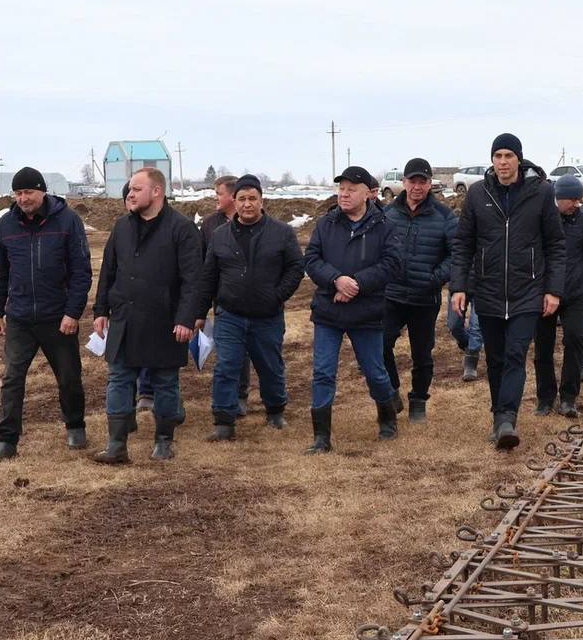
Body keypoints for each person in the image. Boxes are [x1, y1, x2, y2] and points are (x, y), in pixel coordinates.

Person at [450, 133, 565, 450]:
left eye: (508, 156)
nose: (503, 162)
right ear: (492, 160)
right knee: (496, 359)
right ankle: (499, 417)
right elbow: (463, 244)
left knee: (515, 354)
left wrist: (553, 290)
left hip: (527, 290)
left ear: (519, 159)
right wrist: (459, 286)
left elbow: (555, 245)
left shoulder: (541, 192)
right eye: (498, 156)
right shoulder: (478, 194)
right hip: (487, 290)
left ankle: (506, 420)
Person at [91, 167, 202, 463]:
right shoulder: (121, 227)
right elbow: (108, 271)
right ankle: (116, 445)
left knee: (165, 381)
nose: (130, 194)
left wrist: (185, 318)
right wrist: (100, 310)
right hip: (125, 318)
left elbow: (193, 280)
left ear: (157, 191)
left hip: (165, 320)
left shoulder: (182, 228)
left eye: (136, 189)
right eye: (129, 189)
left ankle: (164, 441)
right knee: (118, 378)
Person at [0, 166, 92, 462]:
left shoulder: (68, 220)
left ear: (42, 191)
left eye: (28, 192)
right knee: (12, 379)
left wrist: (72, 313)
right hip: (20, 317)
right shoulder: (7, 224)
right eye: (18, 193)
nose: (23, 198)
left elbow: (81, 271)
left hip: (57, 318)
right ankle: (6, 440)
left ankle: (75, 426)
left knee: (69, 377)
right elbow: (0, 271)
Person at [193, 174, 304, 441]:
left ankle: (275, 410)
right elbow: (209, 276)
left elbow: (295, 268)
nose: (247, 204)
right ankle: (224, 421)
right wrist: (199, 312)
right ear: (235, 201)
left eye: (252, 198)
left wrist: (277, 296)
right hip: (230, 314)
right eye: (242, 199)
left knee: (270, 366)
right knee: (226, 366)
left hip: (267, 315)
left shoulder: (282, 233)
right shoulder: (220, 235)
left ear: (261, 200)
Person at [303, 165, 403, 453]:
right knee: (323, 373)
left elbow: (392, 264)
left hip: (366, 312)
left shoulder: (384, 226)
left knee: (375, 371)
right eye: (341, 189)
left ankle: (387, 419)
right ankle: (321, 437)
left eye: (351, 189)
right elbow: (312, 259)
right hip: (328, 311)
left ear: (367, 194)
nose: (344, 194)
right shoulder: (326, 223)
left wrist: (356, 284)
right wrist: (336, 280)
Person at [382, 157, 456, 422]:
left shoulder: (445, 216)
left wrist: (435, 278)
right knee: (380, 345)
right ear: (403, 182)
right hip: (391, 295)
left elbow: (456, 254)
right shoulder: (388, 214)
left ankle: (418, 401)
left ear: (429, 184)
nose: (417, 186)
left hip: (425, 298)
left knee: (422, 354)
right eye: (412, 181)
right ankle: (391, 391)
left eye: (422, 181)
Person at [533, 175, 583, 418]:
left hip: (576, 293)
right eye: (571, 199)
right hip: (545, 294)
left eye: (578, 199)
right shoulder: (542, 220)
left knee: (575, 341)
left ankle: (569, 398)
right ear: (558, 198)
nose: (576, 204)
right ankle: (545, 398)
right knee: (543, 347)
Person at [195, 174, 253, 417]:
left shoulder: (256, 222)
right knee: (228, 352)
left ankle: (244, 394)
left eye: (219, 194)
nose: (215, 198)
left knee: (249, 350)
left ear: (232, 196)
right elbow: (202, 263)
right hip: (223, 300)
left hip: (253, 300)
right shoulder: (210, 224)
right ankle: (228, 402)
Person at [447, 296, 482, 381]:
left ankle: (472, 356)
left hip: (481, 290)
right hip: (458, 289)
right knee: (454, 326)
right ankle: (469, 345)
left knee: (476, 327)